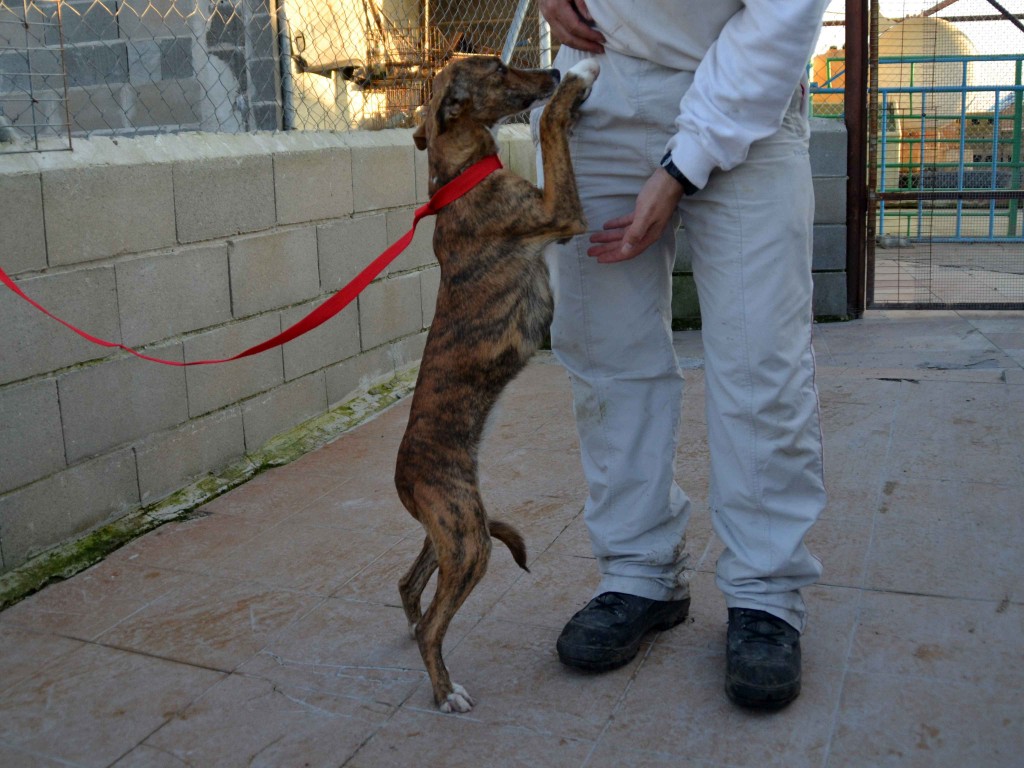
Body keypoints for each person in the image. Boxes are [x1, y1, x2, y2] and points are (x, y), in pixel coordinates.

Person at [534, 0, 830, 709]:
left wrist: (682, 165)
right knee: (605, 351)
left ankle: (765, 591)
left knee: (763, 360)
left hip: (746, 92)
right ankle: (638, 572)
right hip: (600, 87)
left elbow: (782, 14)